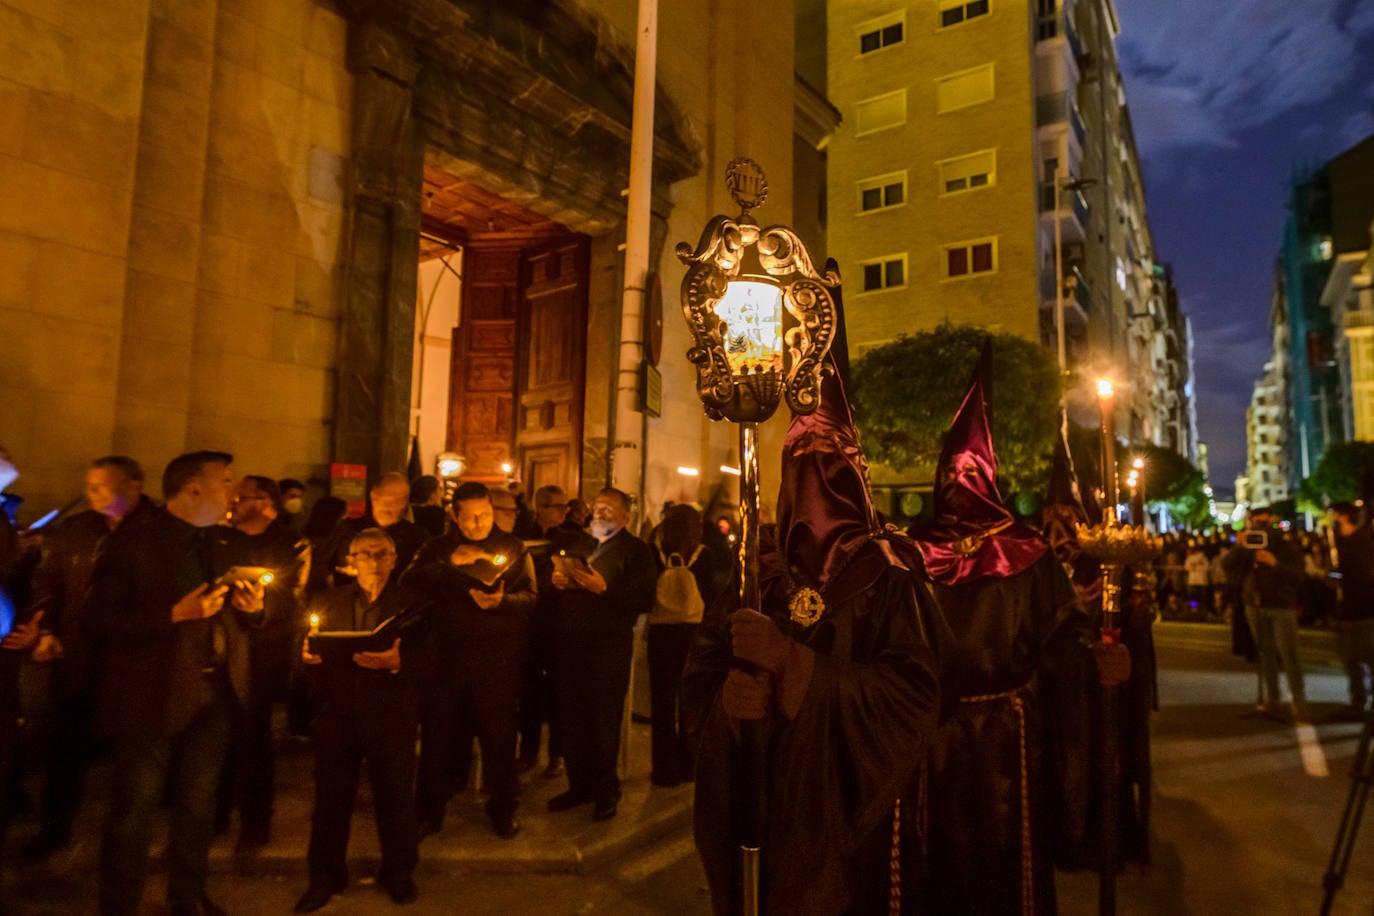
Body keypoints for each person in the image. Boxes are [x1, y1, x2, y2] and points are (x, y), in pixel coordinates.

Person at [685, 345, 942, 915]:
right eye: (802, 458)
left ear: (858, 474)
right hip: (766, 797)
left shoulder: (890, 575)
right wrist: (729, 703)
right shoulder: (756, 570)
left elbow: (915, 696)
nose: (817, 476)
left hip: (851, 820)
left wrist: (794, 664)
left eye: (832, 459)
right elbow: (700, 676)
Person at [908, 347, 1106, 914]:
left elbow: (1065, 640)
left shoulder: (1022, 552)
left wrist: (1094, 656)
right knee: (949, 855)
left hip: (992, 734)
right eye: (958, 473)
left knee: (995, 852)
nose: (960, 482)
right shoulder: (912, 554)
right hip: (959, 730)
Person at [86, 451, 266, 916]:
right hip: (152, 696)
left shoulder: (226, 544)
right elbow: (99, 620)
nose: (234, 492)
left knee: (198, 806)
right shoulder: (135, 545)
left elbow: (251, 615)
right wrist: (172, 615)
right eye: (226, 482)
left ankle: (186, 898)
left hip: (214, 694)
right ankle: (119, 904)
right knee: (134, 810)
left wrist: (254, 609)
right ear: (193, 489)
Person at [20, 456, 154, 861]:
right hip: (80, 660)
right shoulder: (77, 531)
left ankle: (128, 841)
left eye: (102, 486)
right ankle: (55, 828)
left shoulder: (159, 532)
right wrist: (47, 630)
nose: (92, 495)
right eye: (90, 486)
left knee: (134, 761)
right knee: (67, 750)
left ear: (133, 486)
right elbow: (49, 582)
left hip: (135, 665)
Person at [294, 528, 426, 912]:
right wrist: (307, 660)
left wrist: (401, 662)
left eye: (382, 554)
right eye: (365, 554)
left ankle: (398, 873)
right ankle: (325, 877)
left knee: (396, 799)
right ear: (351, 562)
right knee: (331, 801)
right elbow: (300, 658)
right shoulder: (327, 601)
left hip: (391, 713)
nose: (374, 561)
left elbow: (435, 661)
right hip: (338, 713)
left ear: (395, 559)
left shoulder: (415, 603)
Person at [404, 481, 536, 838]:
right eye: (471, 517)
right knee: (438, 738)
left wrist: (502, 603)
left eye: (485, 514)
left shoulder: (512, 547)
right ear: (455, 515)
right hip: (445, 659)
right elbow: (410, 581)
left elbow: (530, 597)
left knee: (499, 739)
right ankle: (430, 810)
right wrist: (452, 563)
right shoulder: (437, 547)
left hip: (496, 661)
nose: (479, 523)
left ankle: (503, 808)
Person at [546, 487, 656, 821]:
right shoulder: (582, 544)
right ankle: (579, 785)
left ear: (625, 516)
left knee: (603, 721)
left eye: (609, 509)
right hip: (572, 647)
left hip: (608, 649)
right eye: (597, 508)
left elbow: (643, 599)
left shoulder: (637, 552)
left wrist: (604, 589)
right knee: (573, 719)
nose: (600, 513)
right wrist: (559, 581)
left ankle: (606, 791)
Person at [218, 475, 309, 850]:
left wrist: (260, 608)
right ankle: (218, 810)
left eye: (241, 497)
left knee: (254, 736)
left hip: (263, 649)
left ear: (263, 502)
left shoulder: (288, 542)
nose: (234, 502)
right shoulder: (224, 539)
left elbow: (293, 596)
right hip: (222, 646)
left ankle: (256, 818)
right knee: (218, 736)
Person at [647, 504, 724, 787]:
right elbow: (712, 595)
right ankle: (690, 764)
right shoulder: (703, 555)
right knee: (690, 701)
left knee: (662, 702)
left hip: (660, 632)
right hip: (693, 632)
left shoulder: (655, 552)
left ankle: (663, 770)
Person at [1225, 506, 1309, 722]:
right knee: (1265, 654)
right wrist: (1240, 545)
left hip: (1281, 606)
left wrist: (1275, 563)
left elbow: (1299, 577)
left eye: (1265, 523)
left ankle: (1299, 703)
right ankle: (1273, 699)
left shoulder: (1286, 546)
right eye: (1257, 524)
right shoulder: (1248, 544)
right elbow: (1228, 567)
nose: (1262, 529)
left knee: (1289, 654)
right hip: (1255, 604)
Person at [517, 484, 571, 777]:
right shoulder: (522, 536)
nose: (564, 511)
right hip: (528, 625)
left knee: (557, 693)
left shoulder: (569, 538)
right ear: (540, 508)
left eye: (565, 506)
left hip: (558, 626)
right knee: (529, 693)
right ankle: (528, 751)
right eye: (557, 506)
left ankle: (557, 754)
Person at [332, 473, 428, 587]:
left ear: (405, 503)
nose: (389, 506)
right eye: (385, 498)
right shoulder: (348, 530)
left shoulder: (418, 538)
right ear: (373, 497)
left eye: (397, 500)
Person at [1331, 502, 1374, 720]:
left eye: (1335, 516)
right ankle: (1357, 703)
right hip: (1351, 610)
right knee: (1352, 659)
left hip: (1361, 612)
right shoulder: (1351, 541)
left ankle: (1360, 704)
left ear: (1344, 517)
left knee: (1364, 657)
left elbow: (1362, 578)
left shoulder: (1358, 541)